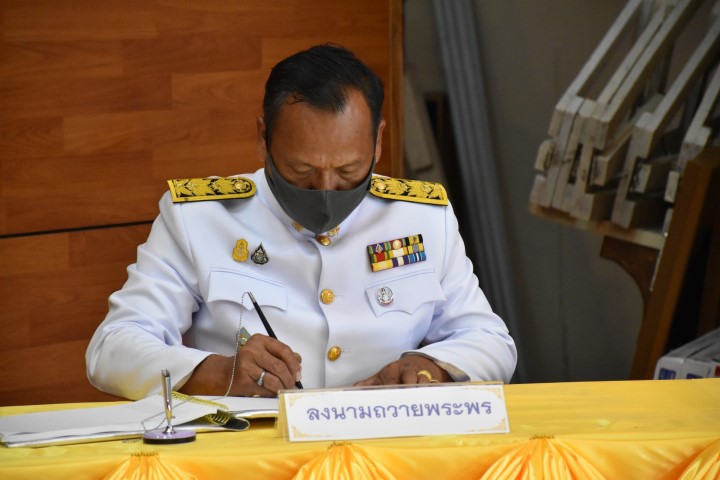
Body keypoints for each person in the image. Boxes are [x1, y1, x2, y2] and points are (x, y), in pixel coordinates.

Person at [86, 44, 517, 400]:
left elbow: (491, 341)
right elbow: (112, 348)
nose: (326, 190)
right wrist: (218, 373)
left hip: (387, 449)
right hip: (254, 454)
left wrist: (430, 366)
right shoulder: (198, 217)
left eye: (348, 171)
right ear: (263, 139)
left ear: (378, 142)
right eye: (302, 171)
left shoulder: (422, 218)